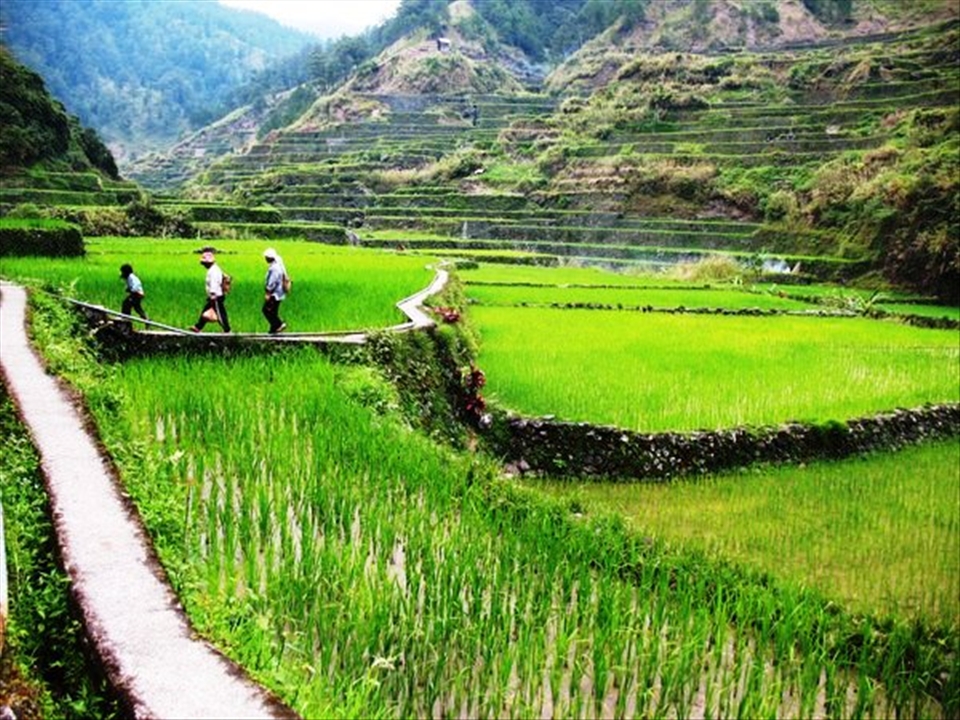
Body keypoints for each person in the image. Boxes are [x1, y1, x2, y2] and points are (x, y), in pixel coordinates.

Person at [190, 250, 230, 333]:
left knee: (220, 314)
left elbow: (214, 283)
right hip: (214, 296)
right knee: (206, 310)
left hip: (216, 296)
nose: (203, 265)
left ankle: (227, 330)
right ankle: (198, 327)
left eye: (204, 263)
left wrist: (213, 294)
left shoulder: (214, 271)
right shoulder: (213, 269)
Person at [262, 247, 287, 334]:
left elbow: (272, 281)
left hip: (274, 294)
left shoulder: (274, 268)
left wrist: (268, 292)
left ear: (269, 258)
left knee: (266, 310)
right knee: (273, 311)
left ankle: (279, 324)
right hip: (278, 293)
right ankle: (273, 330)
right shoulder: (277, 266)